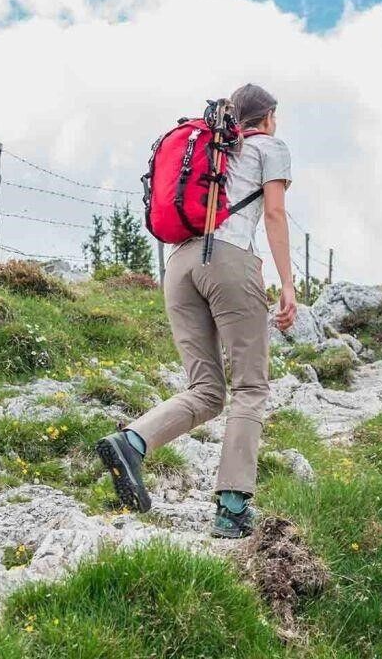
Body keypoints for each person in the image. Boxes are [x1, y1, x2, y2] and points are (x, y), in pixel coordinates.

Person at [97, 84, 298, 538]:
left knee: (206, 389)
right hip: (229, 260)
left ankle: (131, 442)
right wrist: (286, 283)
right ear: (267, 117)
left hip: (179, 266)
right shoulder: (271, 147)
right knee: (250, 387)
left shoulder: (213, 146)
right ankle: (232, 509)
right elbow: (274, 214)